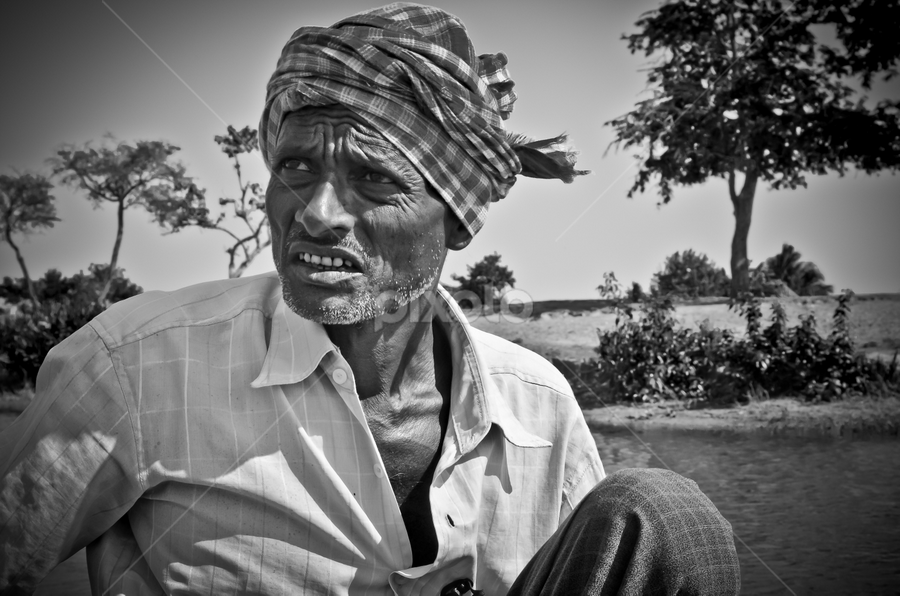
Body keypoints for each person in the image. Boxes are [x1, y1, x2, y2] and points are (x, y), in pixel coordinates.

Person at [0, 3, 740, 594]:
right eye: (295, 166)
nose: (317, 211)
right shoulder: (135, 367)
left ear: (455, 218)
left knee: (661, 513)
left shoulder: (536, 403)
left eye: (375, 178)